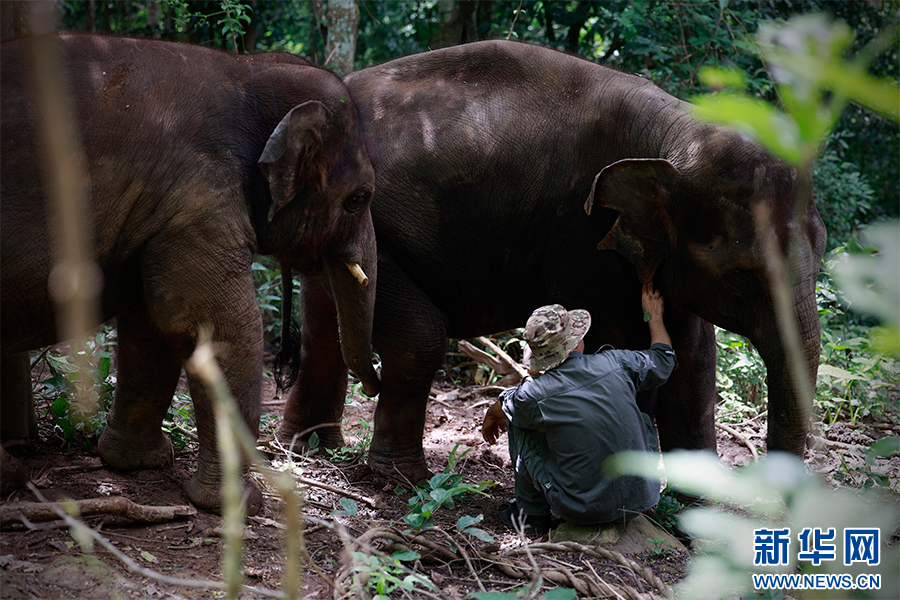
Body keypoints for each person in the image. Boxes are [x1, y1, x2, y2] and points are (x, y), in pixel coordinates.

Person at [482, 283, 676, 535]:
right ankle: (634, 497)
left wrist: (491, 414)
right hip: (642, 499)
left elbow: (506, 406)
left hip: (581, 510)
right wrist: (654, 316)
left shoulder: (534, 395)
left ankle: (531, 517)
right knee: (639, 416)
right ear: (576, 343)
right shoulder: (616, 362)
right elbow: (664, 359)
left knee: (519, 421)